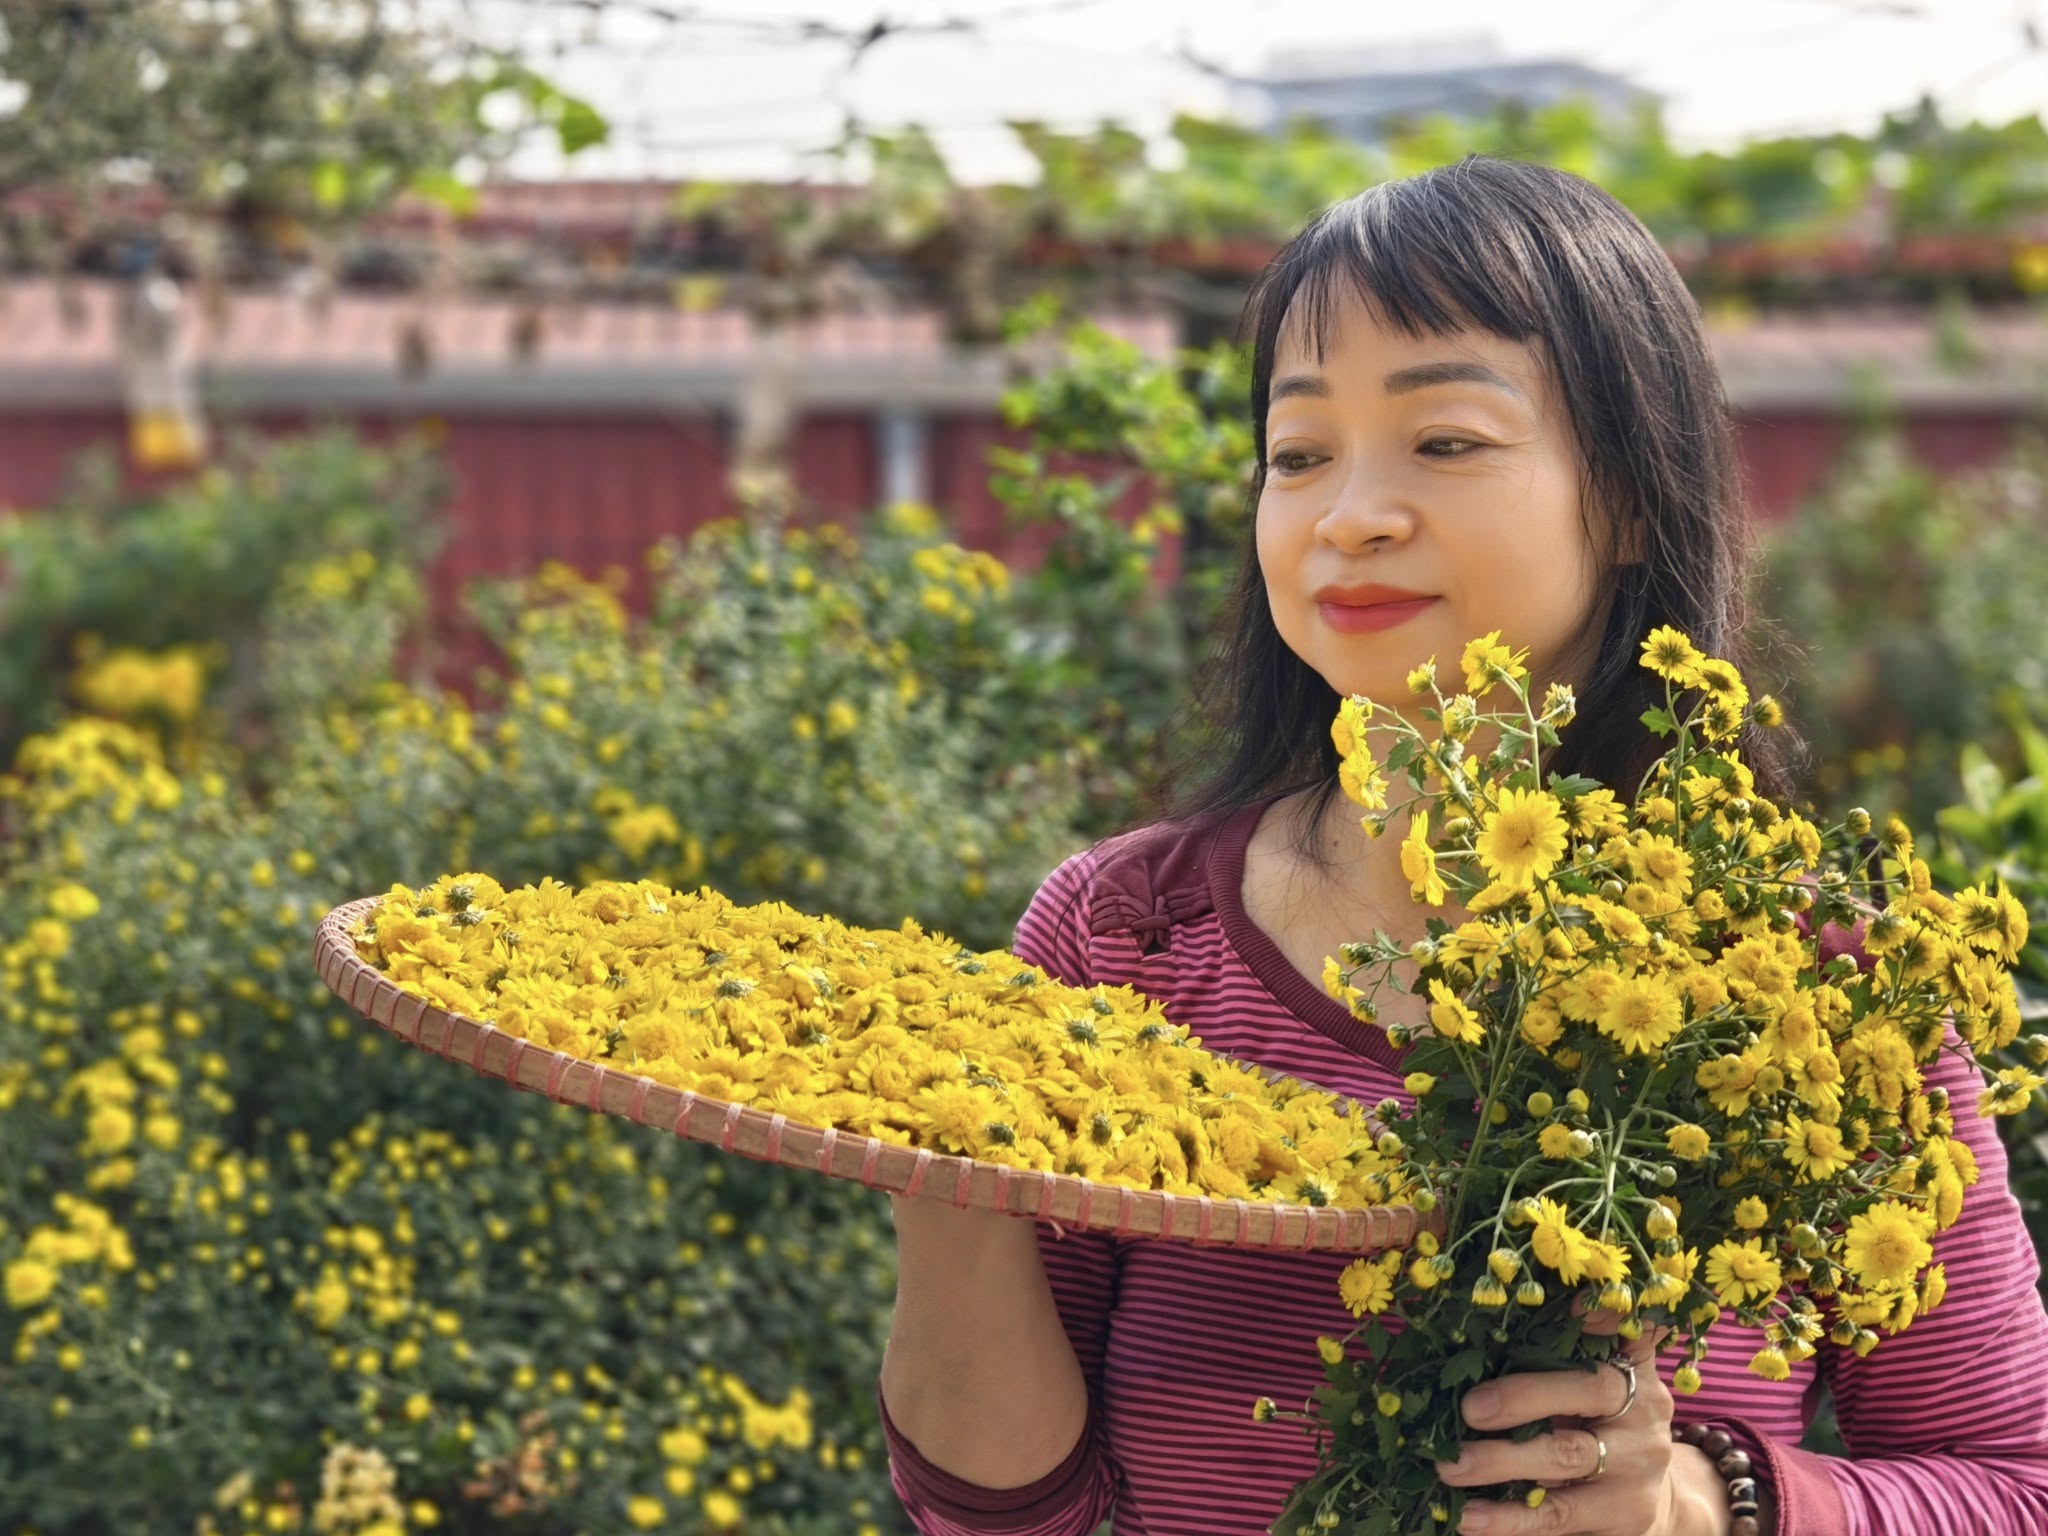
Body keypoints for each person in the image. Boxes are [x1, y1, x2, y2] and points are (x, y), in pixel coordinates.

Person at [874, 154, 2048, 1536]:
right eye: (1298, 454)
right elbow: (1001, 1518)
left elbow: (2011, 1489)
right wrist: (936, 1178)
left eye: (1444, 441)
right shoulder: (1120, 942)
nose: (1347, 514)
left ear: (1622, 499)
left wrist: (1705, 1505)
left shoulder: (1818, 981)